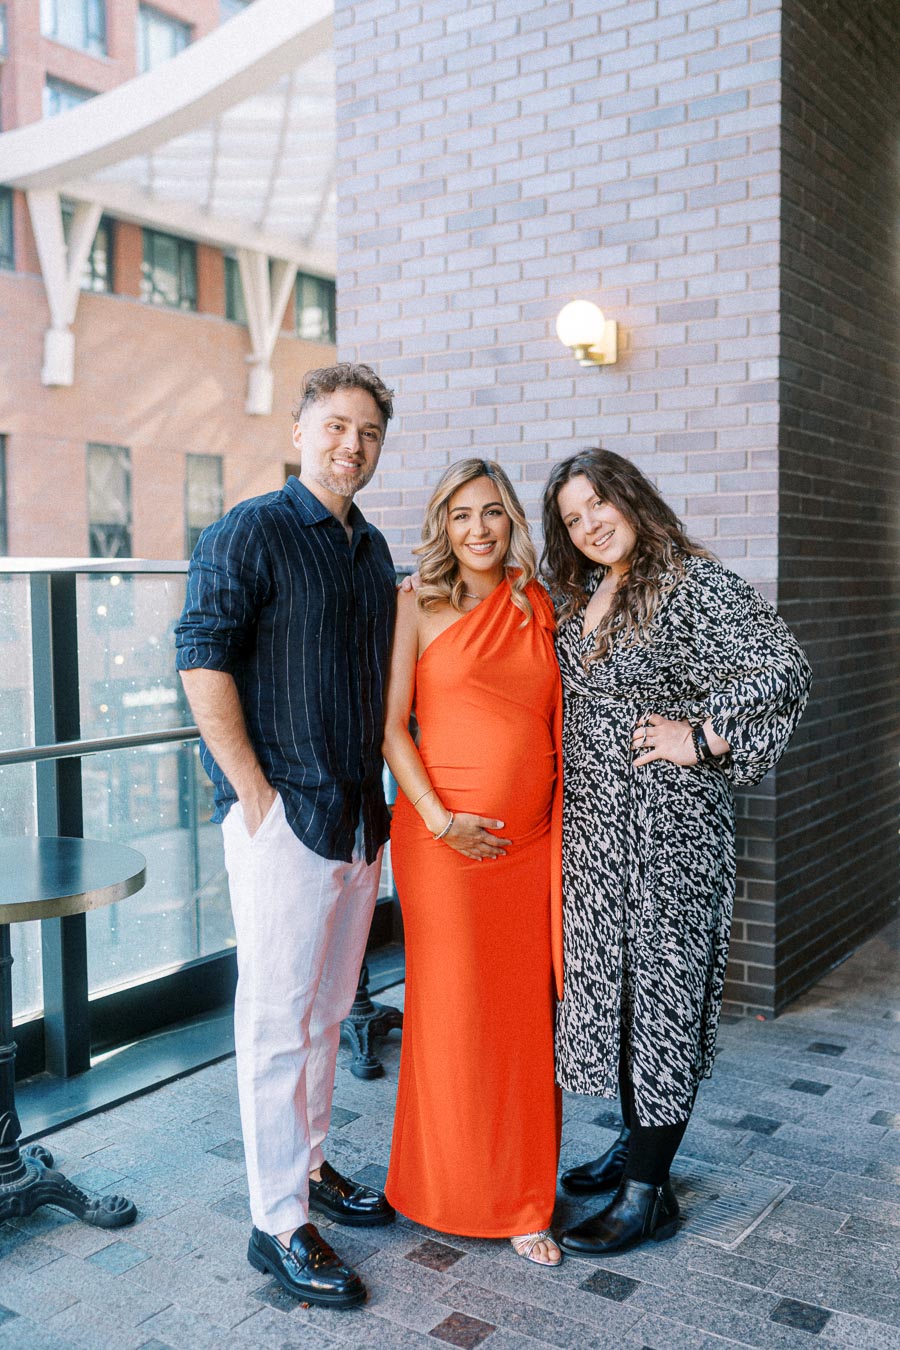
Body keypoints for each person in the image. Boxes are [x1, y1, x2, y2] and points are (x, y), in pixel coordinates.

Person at [541, 448, 811, 1258]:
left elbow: (783, 670)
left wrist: (700, 737)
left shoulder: (689, 581)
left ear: (631, 496)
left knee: (658, 1003)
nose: (590, 524)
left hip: (668, 835)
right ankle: (633, 1142)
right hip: (595, 839)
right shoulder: (593, 590)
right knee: (618, 1000)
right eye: (572, 517)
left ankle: (648, 1193)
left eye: (599, 504)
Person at [175, 363, 398, 1309]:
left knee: (324, 1013)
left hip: (356, 820)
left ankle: (308, 1170)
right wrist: (253, 794)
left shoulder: (372, 545)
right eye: (337, 425)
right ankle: (277, 1224)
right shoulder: (251, 531)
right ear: (301, 428)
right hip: (283, 820)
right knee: (275, 1024)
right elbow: (200, 655)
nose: (353, 445)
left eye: (370, 433)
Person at [382, 459, 564, 1266]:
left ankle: (526, 1200)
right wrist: (442, 819)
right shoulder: (414, 606)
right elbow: (392, 729)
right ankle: (440, 1188)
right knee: (453, 1019)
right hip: (441, 848)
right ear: (443, 527)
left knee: (523, 1024)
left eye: (492, 513)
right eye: (461, 516)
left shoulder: (538, 605)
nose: (479, 530)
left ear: (511, 520)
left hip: (529, 853)